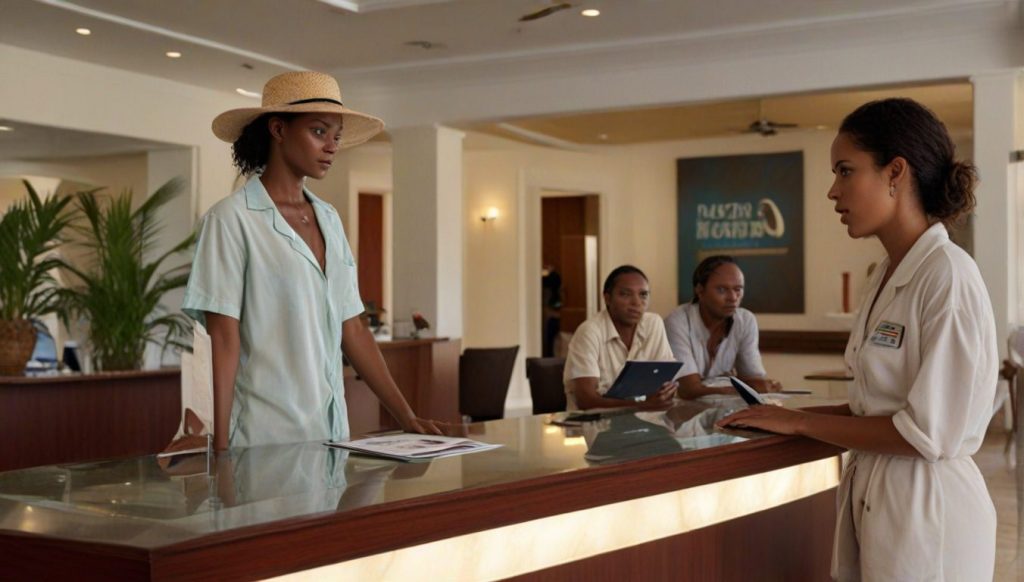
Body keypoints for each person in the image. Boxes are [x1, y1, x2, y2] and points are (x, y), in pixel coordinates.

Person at [718, 98, 997, 581]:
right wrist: (788, 418)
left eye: (845, 171)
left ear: (896, 172)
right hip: (881, 498)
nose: (832, 191)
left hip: (929, 512)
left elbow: (925, 434)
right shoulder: (884, 275)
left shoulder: (947, 276)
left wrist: (804, 427)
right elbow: (876, 407)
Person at [181, 71, 443, 450]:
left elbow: (353, 330)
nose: (331, 146)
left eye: (335, 136)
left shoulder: (330, 220)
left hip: (332, 433)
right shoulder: (231, 220)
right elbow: (223, 341)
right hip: (262, 439)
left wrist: (407, 417)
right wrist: (220, 453)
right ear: (278, 129)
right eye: (319, 132)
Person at [664, 255, 780, 398]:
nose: (732, 297)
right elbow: (689, 390)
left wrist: (758, 386)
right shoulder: (678, 321)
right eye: (721, 290)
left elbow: (755, 380)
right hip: (681, 414)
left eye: (738, 289)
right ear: (700, 291)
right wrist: (745, 389)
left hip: (727, 412)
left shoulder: (745, 320)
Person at [563, 265, 677, 410]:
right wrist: (643, 405)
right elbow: (586, 401)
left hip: (644, 422)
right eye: (625, 294)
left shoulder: (653, 323)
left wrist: (666, 392)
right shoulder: (589, 331)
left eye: (643, 295)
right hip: (595, 424)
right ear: (607, 298)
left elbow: (665, 381)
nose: (636, 302)